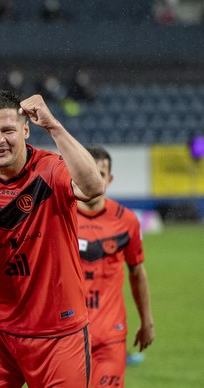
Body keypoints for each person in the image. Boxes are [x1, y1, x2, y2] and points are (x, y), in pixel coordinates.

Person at [0, 90, 105, 387]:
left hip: (58, 331)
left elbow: (94, 186)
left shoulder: (51, 169)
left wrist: (54, 126)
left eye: (8, 130)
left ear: (25, 130)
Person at [77, 145, 155, 387]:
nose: (94, 180)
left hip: (110, 335)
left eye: (100, 174)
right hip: (69, 335)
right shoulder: (60, 217)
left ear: (109, 180)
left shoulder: (126, 221)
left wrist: (146, 320)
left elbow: (137, 272)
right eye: (89, 172)